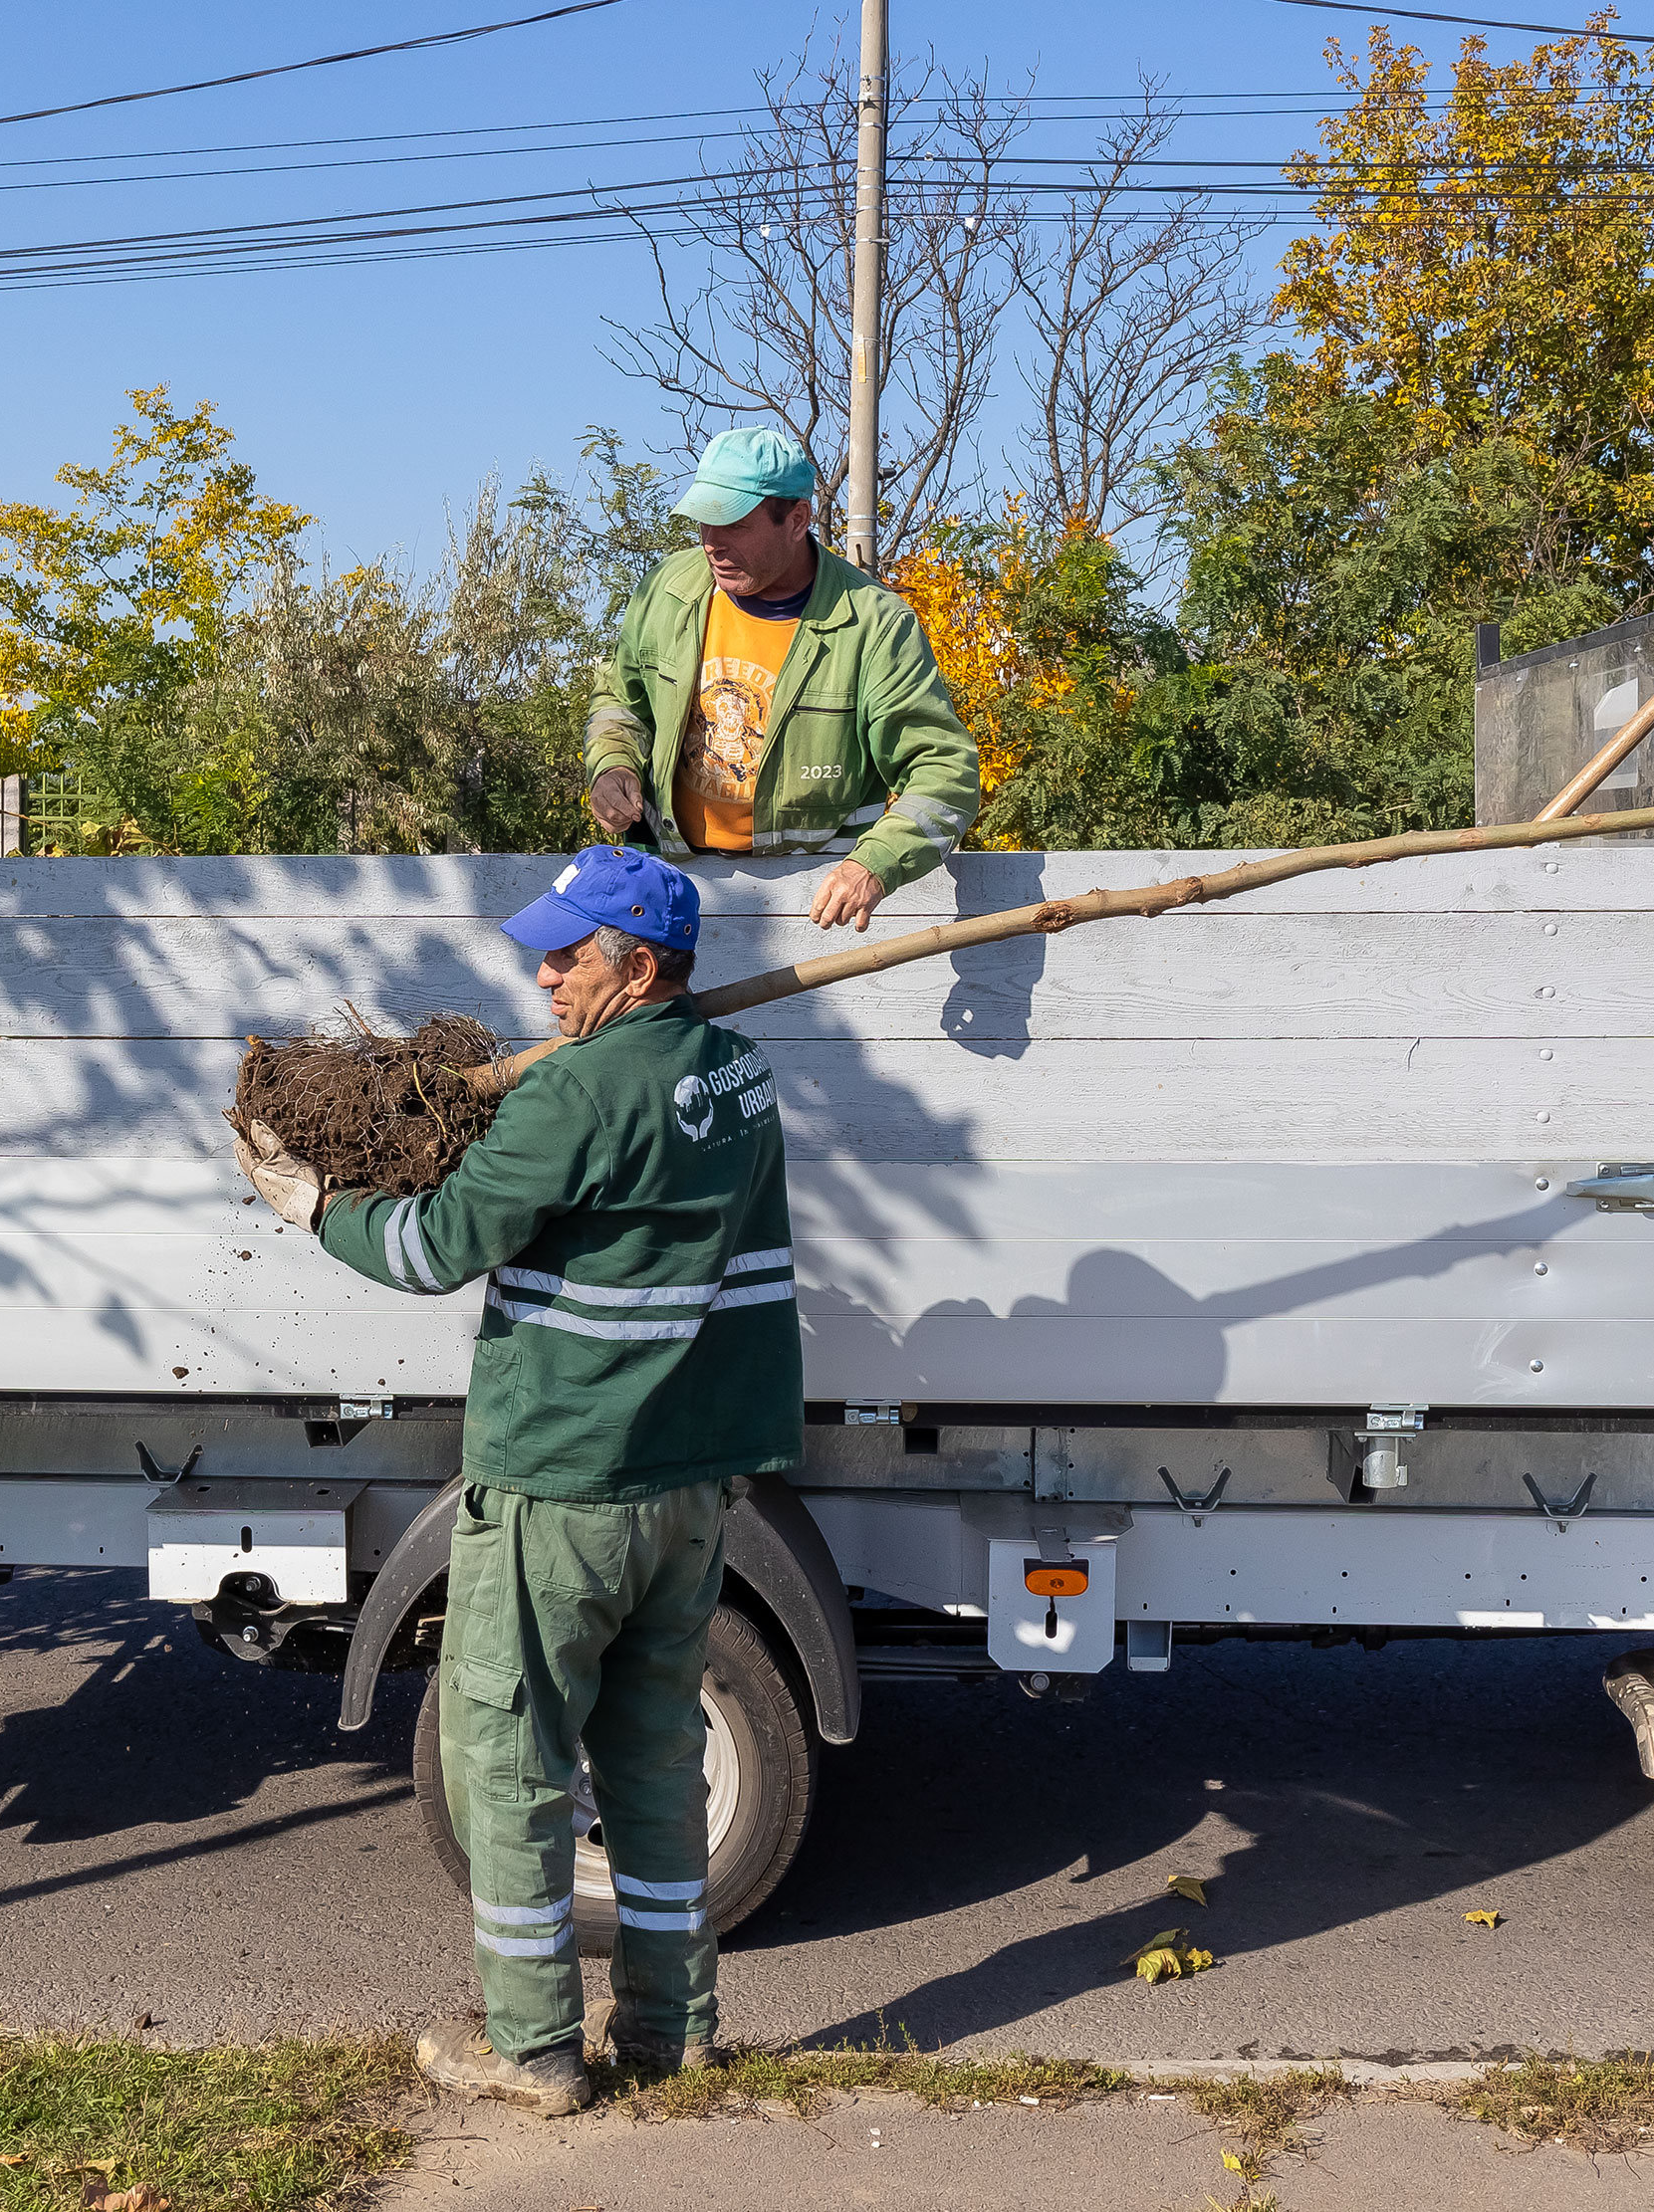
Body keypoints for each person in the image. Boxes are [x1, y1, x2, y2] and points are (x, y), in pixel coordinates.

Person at [231, 846, 800, 2114]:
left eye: (568, 954)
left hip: (565, 1482)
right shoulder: (738, 1073)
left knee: (508, 1753)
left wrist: (314, 1203)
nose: (540, 974)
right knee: (653, 1756)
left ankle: (533, 2047)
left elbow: (437, 1242)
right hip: (690, 1483)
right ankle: (669, 2027)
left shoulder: (578, 1097)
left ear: (638, 965)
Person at [584, 423, 980, 933]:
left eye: (734, 525)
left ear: (797, 519)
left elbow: (945, 770)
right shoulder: (666, 591)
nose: (712, 544)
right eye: (703, 523)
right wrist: (614, 765)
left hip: (819, 907)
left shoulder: (875, 625)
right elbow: (620, 701)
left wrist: (875, 864)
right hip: (672, 891)